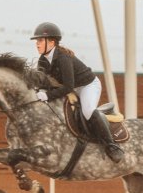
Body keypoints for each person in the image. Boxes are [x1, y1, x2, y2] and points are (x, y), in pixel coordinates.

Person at [31, 22, 124, 163]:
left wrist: (48, 95)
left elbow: (68, 87)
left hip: (88, 86)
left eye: (40, 40)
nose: (37, 44)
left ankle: (111, 146)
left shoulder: (63, 58)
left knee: (87, 111)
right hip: (73, 88)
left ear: (51, 42)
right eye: (36, 41)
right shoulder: (42, 61)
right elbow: (43, 83)